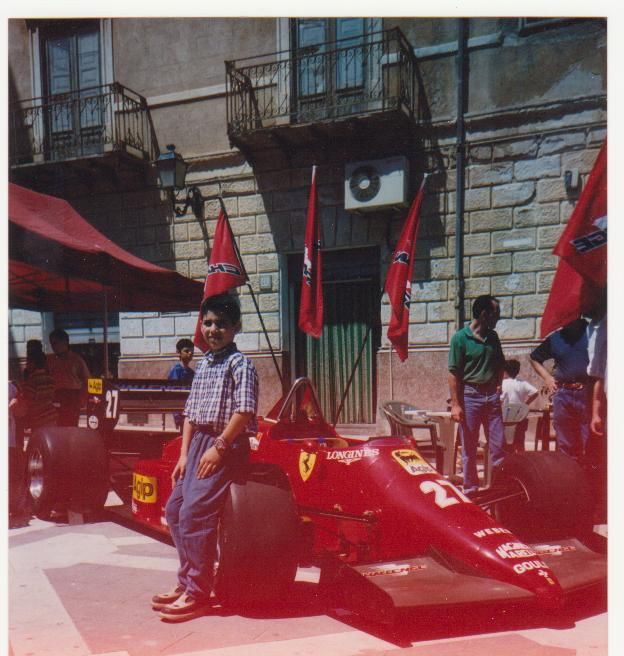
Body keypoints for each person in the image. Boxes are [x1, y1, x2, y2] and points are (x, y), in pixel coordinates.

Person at [153, 294, 258, 622]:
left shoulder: (239, 364)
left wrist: (220, 447)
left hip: (226, 445)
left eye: (221, 324)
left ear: (236, 327)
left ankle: (198, 592)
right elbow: (190, 414)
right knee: (174, 510)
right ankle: (188, 580)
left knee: (195, 513)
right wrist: (184, 454)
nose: (213, 330)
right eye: (208, 323)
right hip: (199, 444)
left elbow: (244, 411)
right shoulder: (205, 364)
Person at [448, 295, 505, 495]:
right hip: (470, 397)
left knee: (498, 447)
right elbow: (453, 374)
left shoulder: (493, 337)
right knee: (470, 448)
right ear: (483, 314)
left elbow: (500, 364)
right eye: (496, 313)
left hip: (492, 398)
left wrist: (499, 386)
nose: (499, 317)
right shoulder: (460, 339)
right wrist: (456, 404)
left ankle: (499, 488)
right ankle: (471, 488)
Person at [529, 317, 591, 460]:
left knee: (590, 442)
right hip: (563, 395)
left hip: (587, 393)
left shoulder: (592, 333)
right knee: (565, 444)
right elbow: (534, 358)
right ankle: (570, 471)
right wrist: (547, 378)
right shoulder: (556, 338)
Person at [46, 329, 91, 426]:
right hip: (55, 396)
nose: (53, 346)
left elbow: (87, 380)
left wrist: (83, 399)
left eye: (55, 343)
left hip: (72, 397)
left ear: (65, 342)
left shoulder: (76, 359)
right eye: (51, 343)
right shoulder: (50, 360)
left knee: (71, 426)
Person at [501, 359, 539, 452]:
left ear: (505, 371)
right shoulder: (522, 383)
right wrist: (525, 404)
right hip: (519, 418)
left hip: (504, 419)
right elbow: (535, 392)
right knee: (520, 441)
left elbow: (499, 400)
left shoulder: (502, 383)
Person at [167, 338, 196, 431]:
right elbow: (174, 394)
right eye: (186, 351)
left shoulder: (191, 372)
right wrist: (177, 416)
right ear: (179, 353)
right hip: (180, 411)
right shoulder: (176, 370)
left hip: (191, 411)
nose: (190, 353)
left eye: (192, 351)